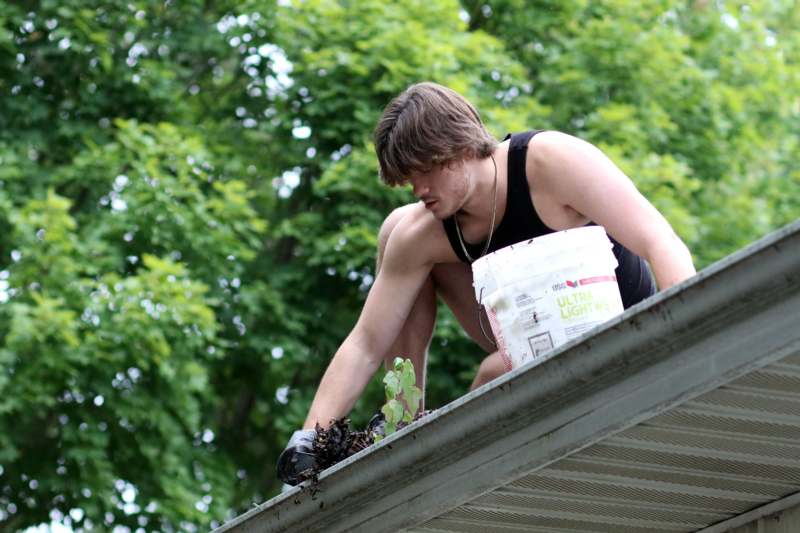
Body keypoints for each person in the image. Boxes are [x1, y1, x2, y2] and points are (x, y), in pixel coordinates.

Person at [276, 82, 696, 485]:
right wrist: (312, 435)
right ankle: (403, 420)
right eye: (408, 179)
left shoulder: (550, 163)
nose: (418, 189)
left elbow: (660, 241)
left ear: (455, 149)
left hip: (618, 322)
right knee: (395, 231)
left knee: (487, 376)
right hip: (531, 341)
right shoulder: (428, 228)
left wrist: (689, 335)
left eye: (424, 172)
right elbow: (367, 341)